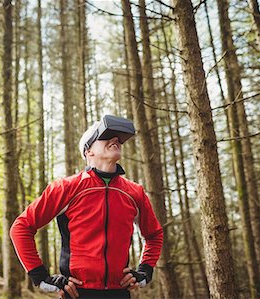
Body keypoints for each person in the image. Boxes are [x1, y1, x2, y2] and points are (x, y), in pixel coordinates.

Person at [10, 115, 163, 299]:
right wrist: (40, 277)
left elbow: (154, 235)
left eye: (118, 139)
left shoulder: (134, 192)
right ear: (88, 151)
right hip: (77, 293)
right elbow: (21, 227)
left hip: (120, 293)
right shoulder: (66, 188)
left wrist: (145, 271)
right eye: (106, 136)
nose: (115, 140)